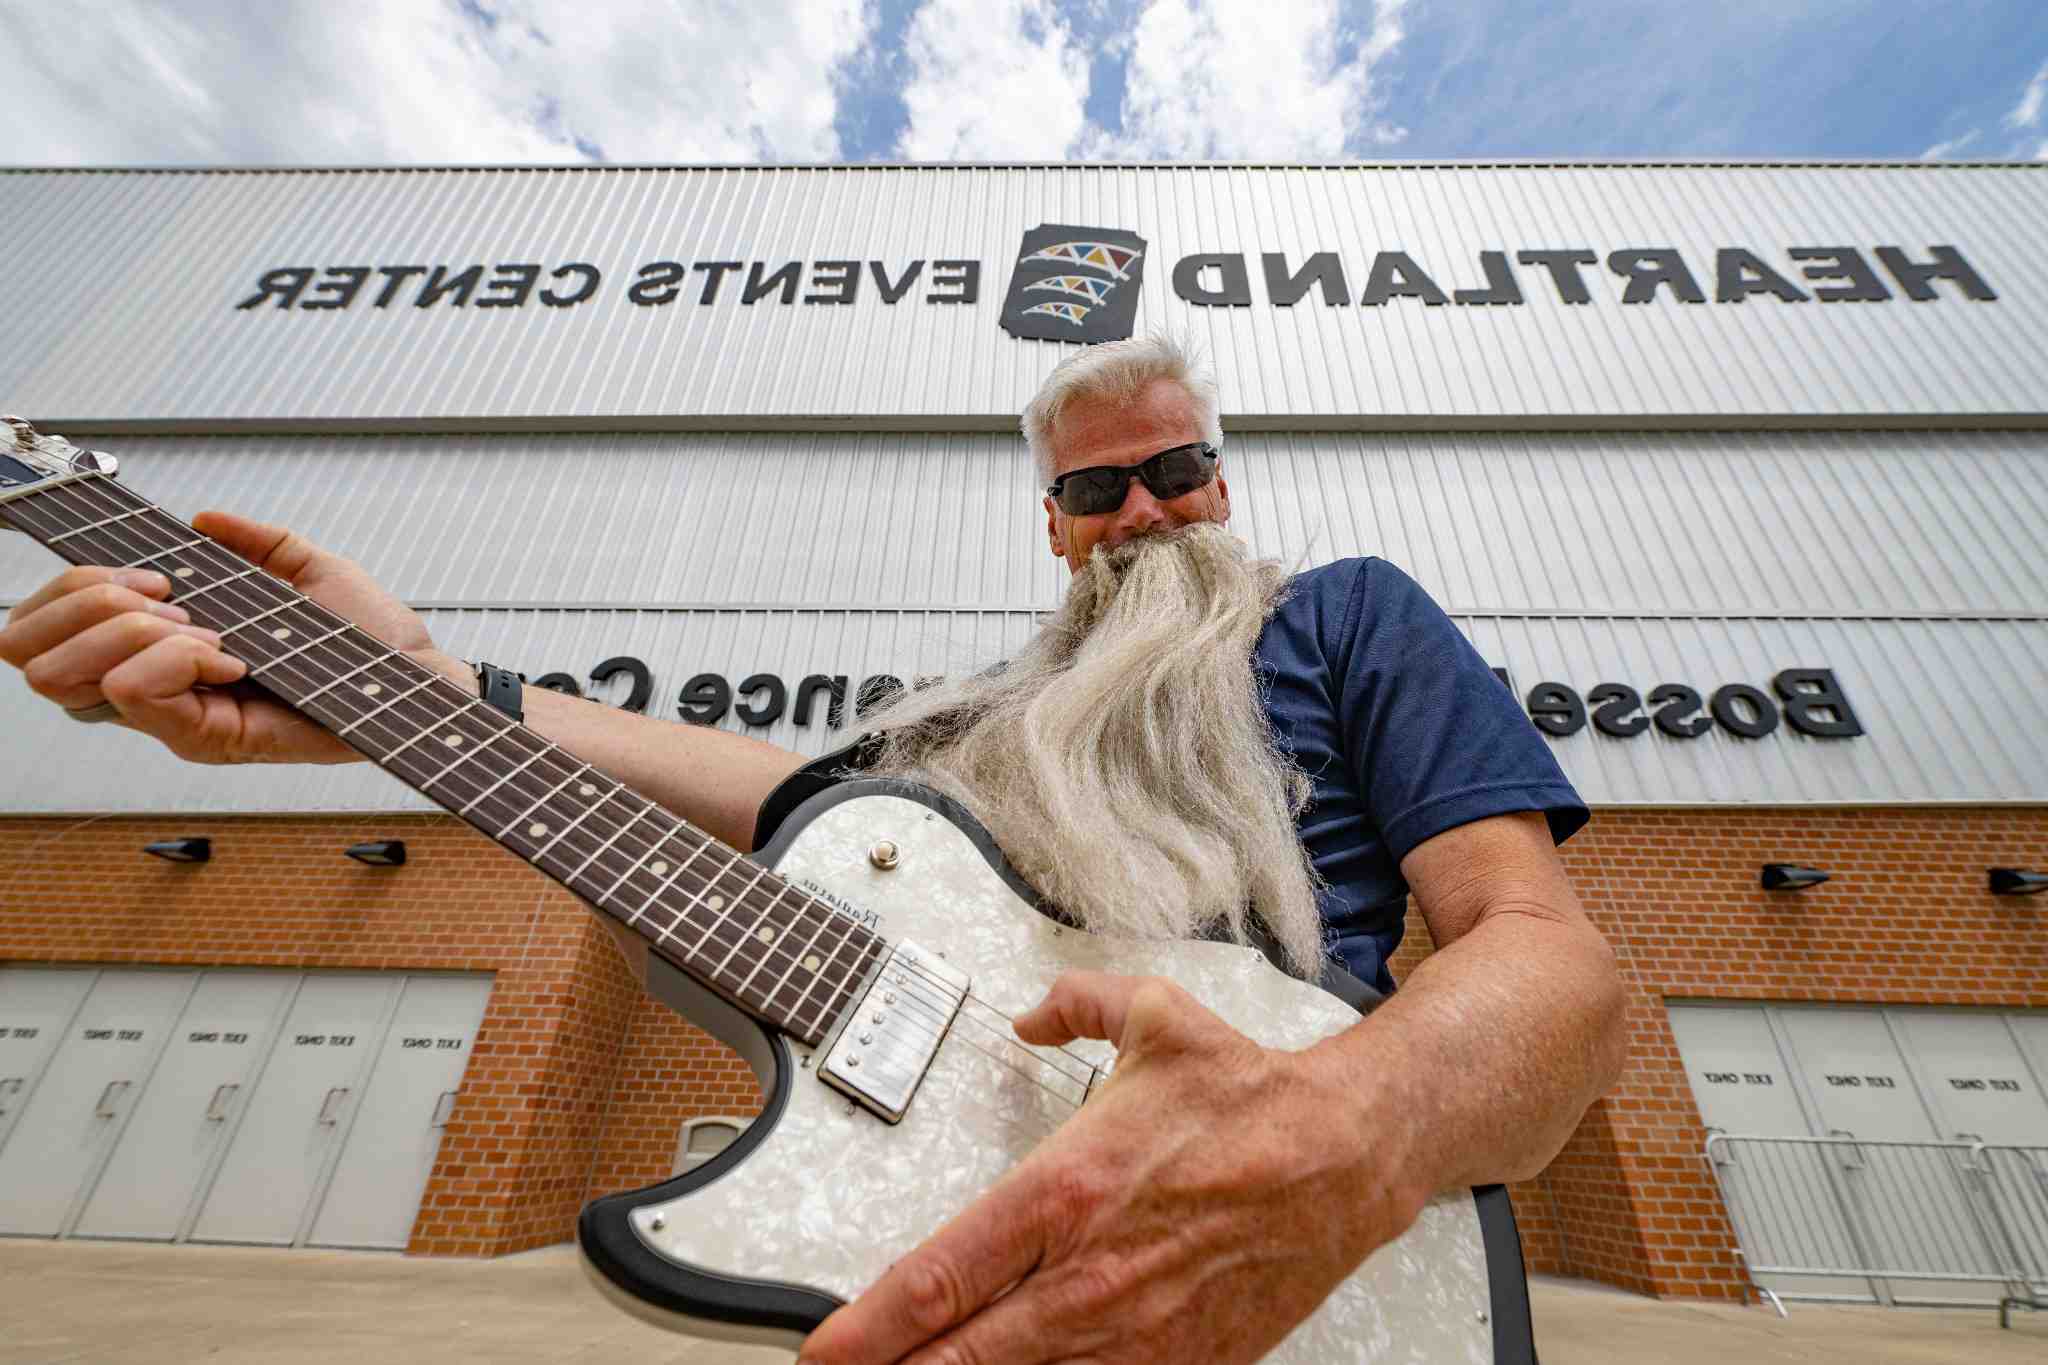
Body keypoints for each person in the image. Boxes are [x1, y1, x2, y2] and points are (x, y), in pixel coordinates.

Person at [0, 334, 1626, 1364]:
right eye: (1098, 488)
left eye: (1176, 472)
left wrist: (1345, 1133)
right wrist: (426, 691)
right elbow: (803, 806)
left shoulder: (1343, 618)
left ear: (1222, 479)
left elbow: (1545, 965)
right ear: (1052, 524)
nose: (1143, 513)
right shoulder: (989, 717)